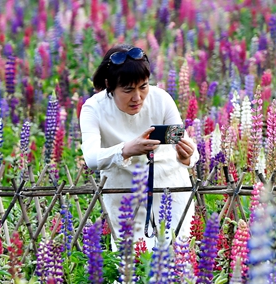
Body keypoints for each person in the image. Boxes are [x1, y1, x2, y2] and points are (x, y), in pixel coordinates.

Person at [79, 44, 199, 250]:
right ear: (109, 85)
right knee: (129, 268)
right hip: (125, 197)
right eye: (128, 90)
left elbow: (188, 147)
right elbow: (91, 158)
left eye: (143, 86)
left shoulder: (161, 99)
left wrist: (187, 156)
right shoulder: (93, 108)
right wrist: (127, 149)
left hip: (169, 191)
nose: (138, 97)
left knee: (177, 262)